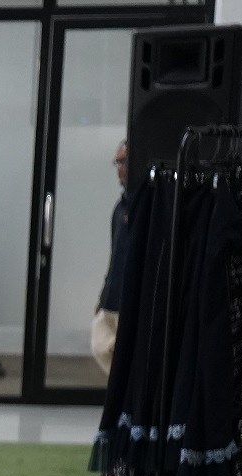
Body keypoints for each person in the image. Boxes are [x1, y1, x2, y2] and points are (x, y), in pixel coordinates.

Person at [92, 139, 130, 375]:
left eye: (124, 161)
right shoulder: (120, 208)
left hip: (129, 299)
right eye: (117, 162)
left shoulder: (144, 207)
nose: (120, 168)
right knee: (100, 342)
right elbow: (115, 255)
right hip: (113, 295)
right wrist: (103, 294)